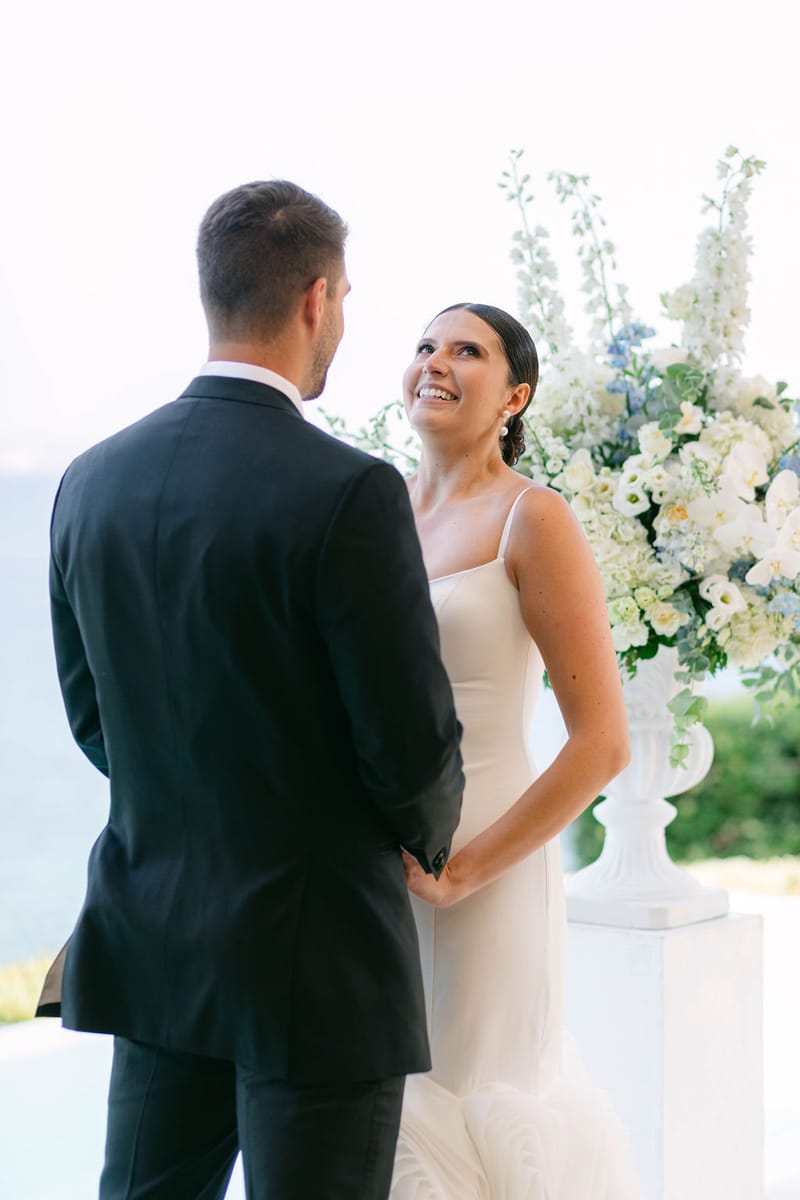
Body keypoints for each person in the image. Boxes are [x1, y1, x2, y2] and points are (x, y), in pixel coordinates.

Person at [38, 181, 464, 1200]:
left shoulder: (90, 480)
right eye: (349, 298)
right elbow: (406, 748)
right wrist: (429, 838)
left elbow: (97, 719)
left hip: (154, 942)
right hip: (317, 962)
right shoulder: (349, 489)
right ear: (316, 298)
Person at [391, 302, 640, 1197]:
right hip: (377, 868)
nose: (436, 362)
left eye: (468, 350)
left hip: (487, 865)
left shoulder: (534, 520)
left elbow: (602, 743)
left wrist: (468, 870)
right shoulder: (377, 511)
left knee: (473, 1099)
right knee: (387, 1102)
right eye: (425, 346)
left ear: (515, 395)